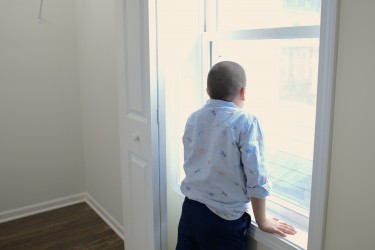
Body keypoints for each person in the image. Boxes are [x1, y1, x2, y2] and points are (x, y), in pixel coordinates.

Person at [176, 61, 297, 250]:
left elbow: (193, 158)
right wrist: (262, 220)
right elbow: (256, 175)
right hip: (223, 219)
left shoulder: (194, 118)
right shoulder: (245, 122)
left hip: (191, 210)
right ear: (243, 92)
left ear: (207, 91)